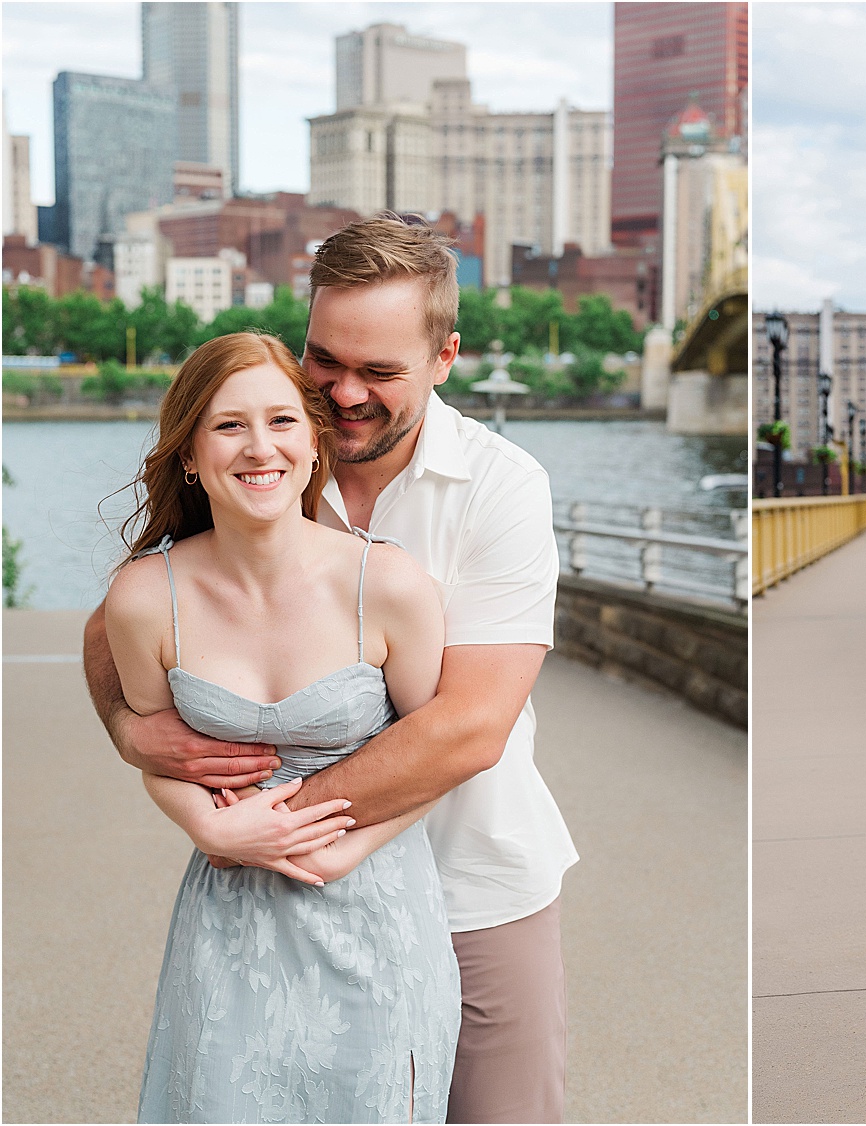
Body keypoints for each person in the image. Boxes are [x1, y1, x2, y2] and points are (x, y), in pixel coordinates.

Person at [85, 216, 576, 1124]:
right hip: (261, 907)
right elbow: (121, 627)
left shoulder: (503, 488)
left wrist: (263, 833)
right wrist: (132, 732)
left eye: (380, 371)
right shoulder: (265, 462)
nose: (344, 394)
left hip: (471, 878)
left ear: (444, 357)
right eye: (326, 360)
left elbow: (467, 725)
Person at [105, 332, 461, 1121]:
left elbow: (439, 754)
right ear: (191, 454)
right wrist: (216, 834)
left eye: (281, 422)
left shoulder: (390, 585)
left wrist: (341, 850)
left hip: (378, 917)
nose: (259, 447)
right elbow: (162, 754)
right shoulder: (142, 599)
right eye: (229, 426)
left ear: (312, 444)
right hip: (227, 925)